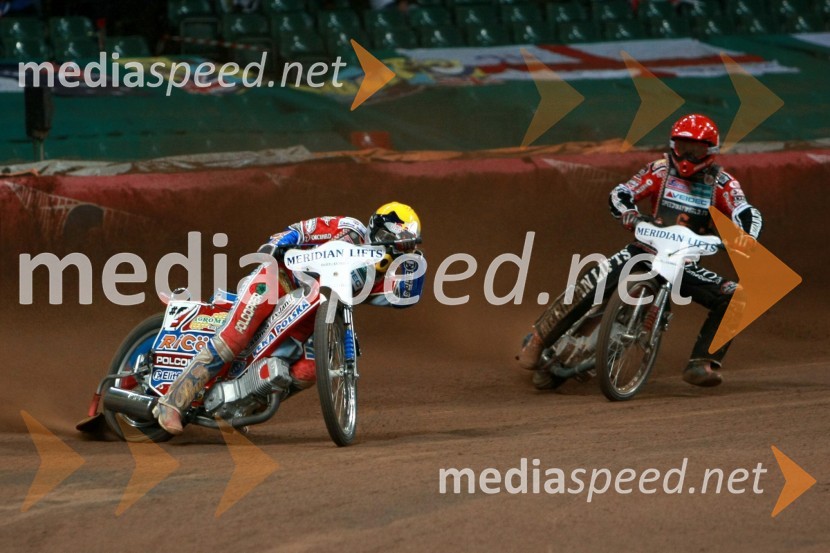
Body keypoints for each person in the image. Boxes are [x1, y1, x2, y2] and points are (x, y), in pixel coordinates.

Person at [517, 114, 763, 389]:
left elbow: (745, 211)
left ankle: (701, 363)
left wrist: (746, 236)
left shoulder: (722, 183)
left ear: (712, 152)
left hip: (683, 263)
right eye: (683, 148)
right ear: (673, 145)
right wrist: (629, 213)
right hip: (643, 248)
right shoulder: (659, 170)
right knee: (594, 280)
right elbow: (621, 193)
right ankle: (539, 339)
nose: (689, 157)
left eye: (697, 150)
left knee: (734, 297)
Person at [153, 202, 425, 435]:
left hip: (317, 317)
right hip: (280, 279)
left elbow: (405, 297)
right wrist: (276, 244)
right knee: (236, 335)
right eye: (403, 242)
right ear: (381, 231)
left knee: (311, 369)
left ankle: (242, 405)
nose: (405, 249)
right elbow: (301, 230)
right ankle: (173, 401)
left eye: (410, 244)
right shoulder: (350, 228)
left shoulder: (382, 277)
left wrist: (416, 267)